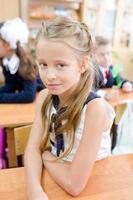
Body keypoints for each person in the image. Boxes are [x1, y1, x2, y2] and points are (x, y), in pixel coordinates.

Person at [24, 16, 115, 199]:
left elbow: (74, 185)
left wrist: (47, 157)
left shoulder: (94, 109)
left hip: (96, 187)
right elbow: (32, 149)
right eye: (43, 64)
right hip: (55, 180)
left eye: (60, 65)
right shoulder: (44, 98)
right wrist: (34, 189)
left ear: (82, 65)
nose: (49, 75)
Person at [0, 18, 43, 103]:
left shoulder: (25, 63)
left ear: (8, 45)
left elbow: (29, 96)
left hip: (43, 96)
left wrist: (1, 97)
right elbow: (11, 85)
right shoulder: (6, 61)